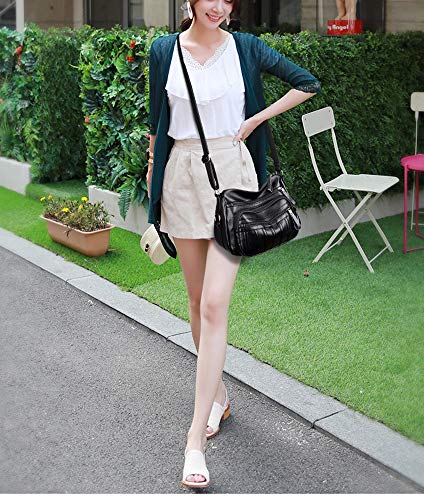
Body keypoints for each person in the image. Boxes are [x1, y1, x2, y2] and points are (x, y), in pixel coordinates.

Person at [146, 0, 321, 489]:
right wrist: (152, 179)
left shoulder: (245, 47)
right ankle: (218, 397)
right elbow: (157, 122)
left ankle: (194, 443)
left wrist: (255, 120)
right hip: (182, 178)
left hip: (235, 179)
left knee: (214, 304)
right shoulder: (164, 51)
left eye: (228, 0)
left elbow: (307, 83)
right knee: (196, 301)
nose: (220, 7)